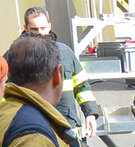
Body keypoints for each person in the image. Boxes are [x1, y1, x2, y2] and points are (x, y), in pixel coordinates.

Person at [20, 6, 99, 139]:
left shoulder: (65, 53)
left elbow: (82, 85)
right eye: (34, 29)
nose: (39, 33)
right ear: (25, 27)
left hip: (68, 129)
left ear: (49, 26)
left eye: (43, 28)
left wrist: (90, 113)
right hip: (35, 132)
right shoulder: (16, 57)